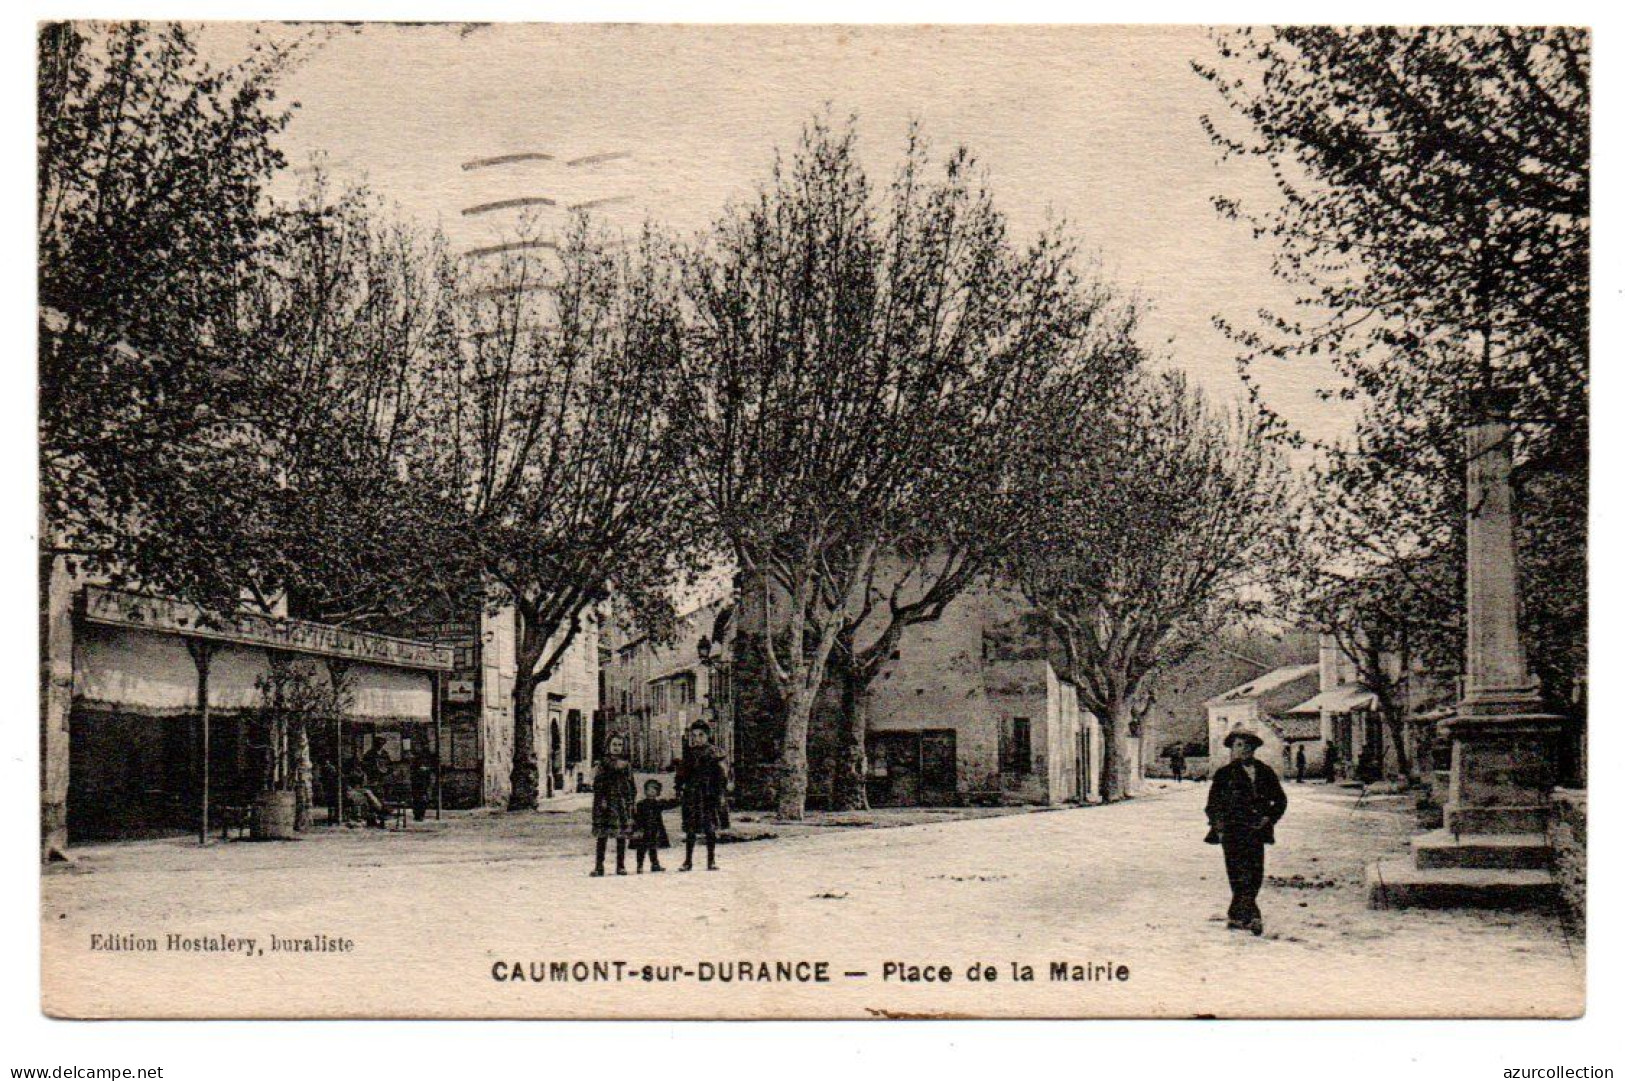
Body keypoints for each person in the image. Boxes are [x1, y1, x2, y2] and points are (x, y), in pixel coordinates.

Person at [1204, 725, 1288, 936]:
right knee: (1238, 875)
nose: (1244, 749)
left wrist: (1268, 818)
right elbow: (1212, 805)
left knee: (1255, 874)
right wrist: (1220, 828)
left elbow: (1280, 800)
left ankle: (1235, 914)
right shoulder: (1224, 775)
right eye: (1239, 745)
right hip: (1232, 832)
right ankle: (1253, 917)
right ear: (1232, 748)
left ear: (1255, 748)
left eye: (1248, 745)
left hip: (1256, 831)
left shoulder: (1265, 772)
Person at [676, 721, 729, 872]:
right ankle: (688, 861)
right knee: (690, 828)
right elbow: (682, 774)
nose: (697, 739)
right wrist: (679, 787)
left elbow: (722, 775)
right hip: (692, 795)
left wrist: (720, 793)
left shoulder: (715, 754)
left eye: (701, 735)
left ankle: (711, 860)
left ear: (708, 736)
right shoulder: (689, 754)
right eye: (694, 736)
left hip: (708, 794)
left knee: (709, 827)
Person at [590, 734, 637, 876]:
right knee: (602, 835)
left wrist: (631, 801)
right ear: (608, 746)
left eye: (619, 745)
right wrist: (602, 799)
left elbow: (630, 784)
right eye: (614, 745)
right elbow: (598, 783)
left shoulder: (626, 765)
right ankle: (599, 866)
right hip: (605, 802)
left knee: (621, 835)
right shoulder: (603, 764)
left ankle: (620, 866)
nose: (617, 748)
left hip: (621, 802)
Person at [631, 779, 677, 873]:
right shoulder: (641, 804)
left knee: (653, 848)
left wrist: (678, 799)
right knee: (641, 849)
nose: (651, 792)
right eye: (649, 789)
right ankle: (640, 866)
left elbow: (669, 804)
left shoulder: (658, 803)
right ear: (645, 791)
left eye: (654, 790)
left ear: (657, 792)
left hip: (654, 830)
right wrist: (636, 829)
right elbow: (636, 817)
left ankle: (655, 864)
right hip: (643, 829)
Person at [343, 752, 386, 829]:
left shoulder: (361, 772)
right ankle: (380, 810)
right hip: (351, 791)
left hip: (359, 791)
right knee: (368, 794)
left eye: (359, 763)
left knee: (369, 794)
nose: (358, 765)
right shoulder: (349, 773)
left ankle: (376, 814)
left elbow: (364, 783)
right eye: (356, 763)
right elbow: (348, 785)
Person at [409, 743, 437, 822]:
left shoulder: (427, 758)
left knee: (423, 799)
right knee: (417, 799)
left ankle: (420, 815)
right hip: (418, 781)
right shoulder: (416, 758)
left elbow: (431, 769)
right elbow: (413, 769)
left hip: (423, 781)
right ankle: (418, 815)